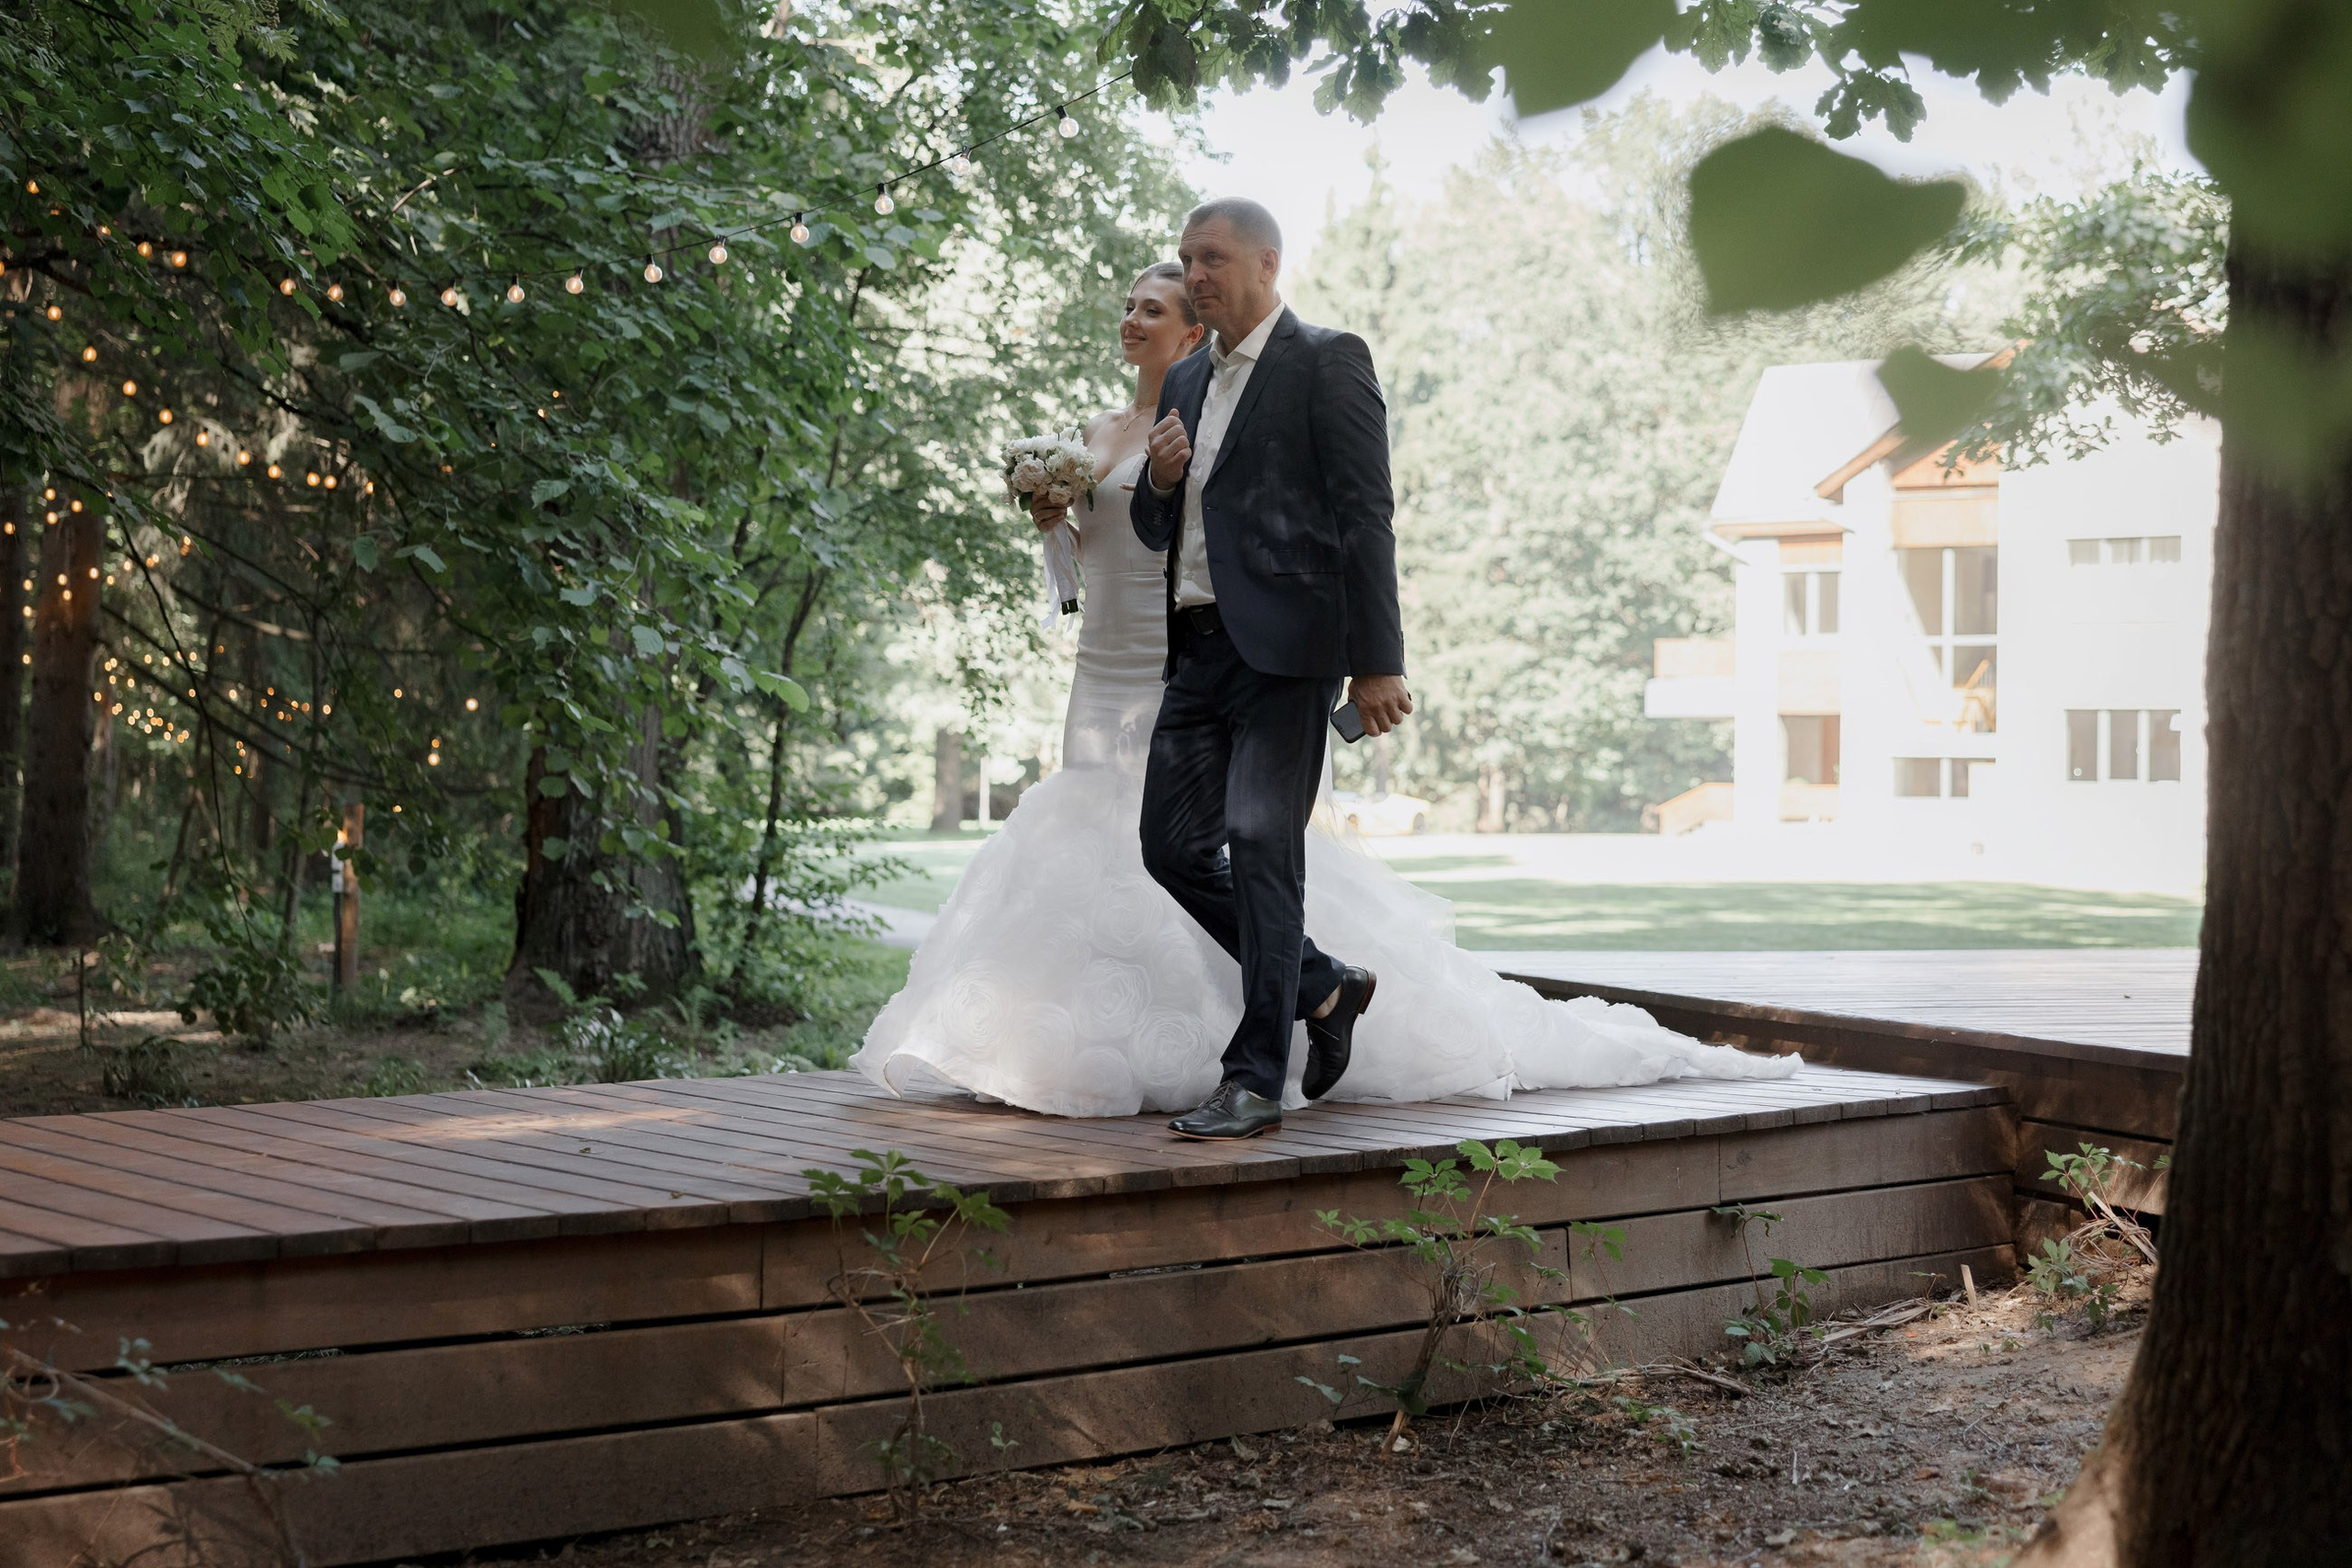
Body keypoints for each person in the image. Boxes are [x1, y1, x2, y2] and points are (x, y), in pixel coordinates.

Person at [849, 232, 1796, 1125]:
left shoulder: (1323, 361)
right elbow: (1148, 531)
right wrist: (1125, 494)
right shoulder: (1176, 392)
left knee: (1260, 849)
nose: (1172, 292)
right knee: (1165, 848)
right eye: (1171, 271)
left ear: (1253, 271)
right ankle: (1312, 988)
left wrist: (1376, 660)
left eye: (1196, 271)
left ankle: (1253, 1072)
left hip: (1263, 654)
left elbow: (1362, 515)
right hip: (1158, 657)